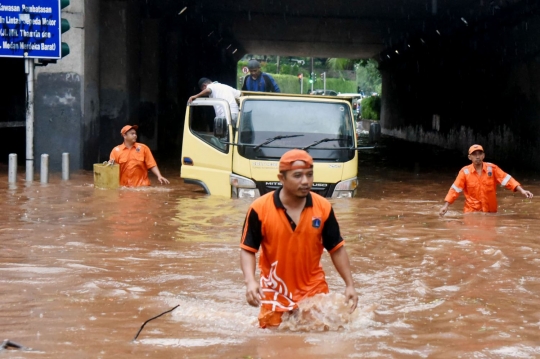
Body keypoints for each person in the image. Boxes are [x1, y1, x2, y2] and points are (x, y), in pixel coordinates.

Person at [239, 149, 358, 328]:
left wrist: (349, 284)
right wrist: (250, 281)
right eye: (298, 176)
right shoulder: (259, 209)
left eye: (309, 175)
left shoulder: (323, 208)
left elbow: (336, 248)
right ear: (282, 178)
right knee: (272, 344)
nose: (305, 181)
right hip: (276, 293)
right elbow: (248, 249)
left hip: (314, 291)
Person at [439, 144, 533, 216]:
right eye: (474, 154)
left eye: (479, 154)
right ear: (469, 157)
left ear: (483, 155)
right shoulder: (464, 172)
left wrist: (522, 190)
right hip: (472, 213)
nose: (477, 157)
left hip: (490, 213)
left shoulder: (492, 169)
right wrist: (445, 206)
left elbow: (507, 179)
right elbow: (455, 189)